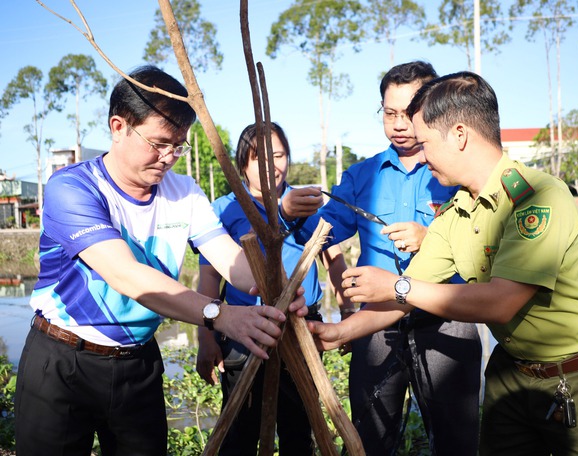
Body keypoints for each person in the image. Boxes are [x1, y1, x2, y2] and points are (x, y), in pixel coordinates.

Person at [309, 71, 578, 456]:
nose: (421, 153)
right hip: (510, 373)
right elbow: (406, 296)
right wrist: (343, 331)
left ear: (459, 135)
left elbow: (500, 301)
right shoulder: (456, 213)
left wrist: (397, 285)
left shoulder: (536, 197)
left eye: (426, 142)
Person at [14, 65, 307, 456]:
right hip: (64, 361)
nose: (168, 157)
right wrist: (220, 315)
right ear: (118, 126)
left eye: (178, 145)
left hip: (139, 363)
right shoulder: (73, 188)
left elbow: (229, 259)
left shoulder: (183, 192)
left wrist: (277, 288)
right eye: (158, 143)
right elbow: (128, 276)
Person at [281, 61, 481, 456]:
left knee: (456, 440)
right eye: (390, 114)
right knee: (369, 436)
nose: (400, 124)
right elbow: (322, 233)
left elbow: (480, 243)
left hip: (447, 318)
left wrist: (431, 237)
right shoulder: (362, 175)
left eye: (409, 113)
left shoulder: (454, 171)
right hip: (374, 324)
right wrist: (289, 214)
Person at [196, 122, 353, 455]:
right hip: (244, 328)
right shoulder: (224, 209)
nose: (272, 165)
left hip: (301, 326)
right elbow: (209, 278)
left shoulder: (306, 203)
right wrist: (205, 337)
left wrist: (348, 312)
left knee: (300, 427)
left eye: (279, 155)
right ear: (242, 164)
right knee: (240, 429)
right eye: (259, 158)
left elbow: (333, 258)